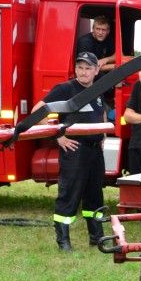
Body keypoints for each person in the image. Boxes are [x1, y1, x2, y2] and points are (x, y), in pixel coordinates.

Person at [36, 52, 108, 252]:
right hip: (75, 150)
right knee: (69, 195)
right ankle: (63, 241)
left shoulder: (97, 89)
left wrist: (102, 136)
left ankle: (97, 238)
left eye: (87, 68)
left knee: (95, 196)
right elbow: (38, 111)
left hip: (94, 152)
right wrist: (58, 136)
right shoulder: (65, 89)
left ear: (96, 70)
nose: (83, 72)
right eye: (80, 68)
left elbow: (101, 113)